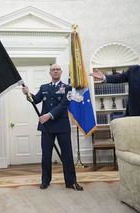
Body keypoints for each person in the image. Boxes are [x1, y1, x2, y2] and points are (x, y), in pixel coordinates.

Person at [22, 63, 83, 191]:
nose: (55, 71)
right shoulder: (44, 87)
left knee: (67, 154)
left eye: (57, 69)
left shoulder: (67, 88)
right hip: (47, 127)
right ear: (50, 73)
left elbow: (63, 105)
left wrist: (49, 115)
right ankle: (45, 181)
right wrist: (28, 94)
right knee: (46, 155)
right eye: (53, 70)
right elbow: (36, 100)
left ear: (60, 72)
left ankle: (71, 182)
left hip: (61, 125)